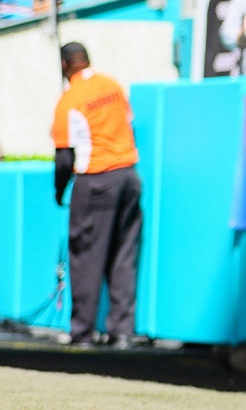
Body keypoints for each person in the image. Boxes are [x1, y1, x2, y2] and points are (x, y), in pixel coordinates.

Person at [51, 42, 144, 349]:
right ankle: (121, 332)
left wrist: (59, 190)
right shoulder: (113, 86)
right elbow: (127, 124)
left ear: (66, 66)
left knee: (86, 256)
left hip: (96, 178)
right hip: (129, 176)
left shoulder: (70, 100)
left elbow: (65, 158)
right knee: (123, 255)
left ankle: (82, 333)